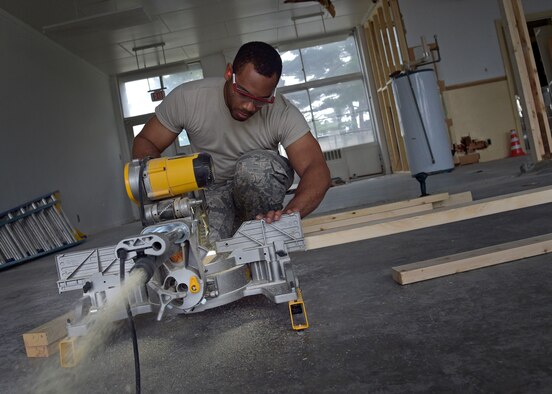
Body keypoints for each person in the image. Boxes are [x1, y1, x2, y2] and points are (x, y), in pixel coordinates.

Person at [133, 41, 331, 242]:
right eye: (243, 93)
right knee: (207, 247)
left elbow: (316, 169)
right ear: (229, 73)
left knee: (254, 169)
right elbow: (146, 140)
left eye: (261, 100)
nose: (249, 106)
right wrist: (163, 191)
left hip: (256, 192)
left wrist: (290, 215)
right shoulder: (188, 98)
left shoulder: (282, 112)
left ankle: (262, 237)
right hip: (211, 191)